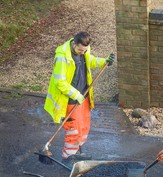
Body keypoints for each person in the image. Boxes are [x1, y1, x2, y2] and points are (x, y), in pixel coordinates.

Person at [44, 32, 115, 164]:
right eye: (80, 50)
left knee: (84, 127)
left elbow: (91, 61)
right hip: (70, 99)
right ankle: (68, 156)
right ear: (74, 44)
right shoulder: (62, 57)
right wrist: (76, 95)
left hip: (84, 97)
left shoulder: (84, 51)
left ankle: (76, 151)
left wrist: (104, 61)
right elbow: (59, 82)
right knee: (74, 129)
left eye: (85, 50)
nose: (82, 53)